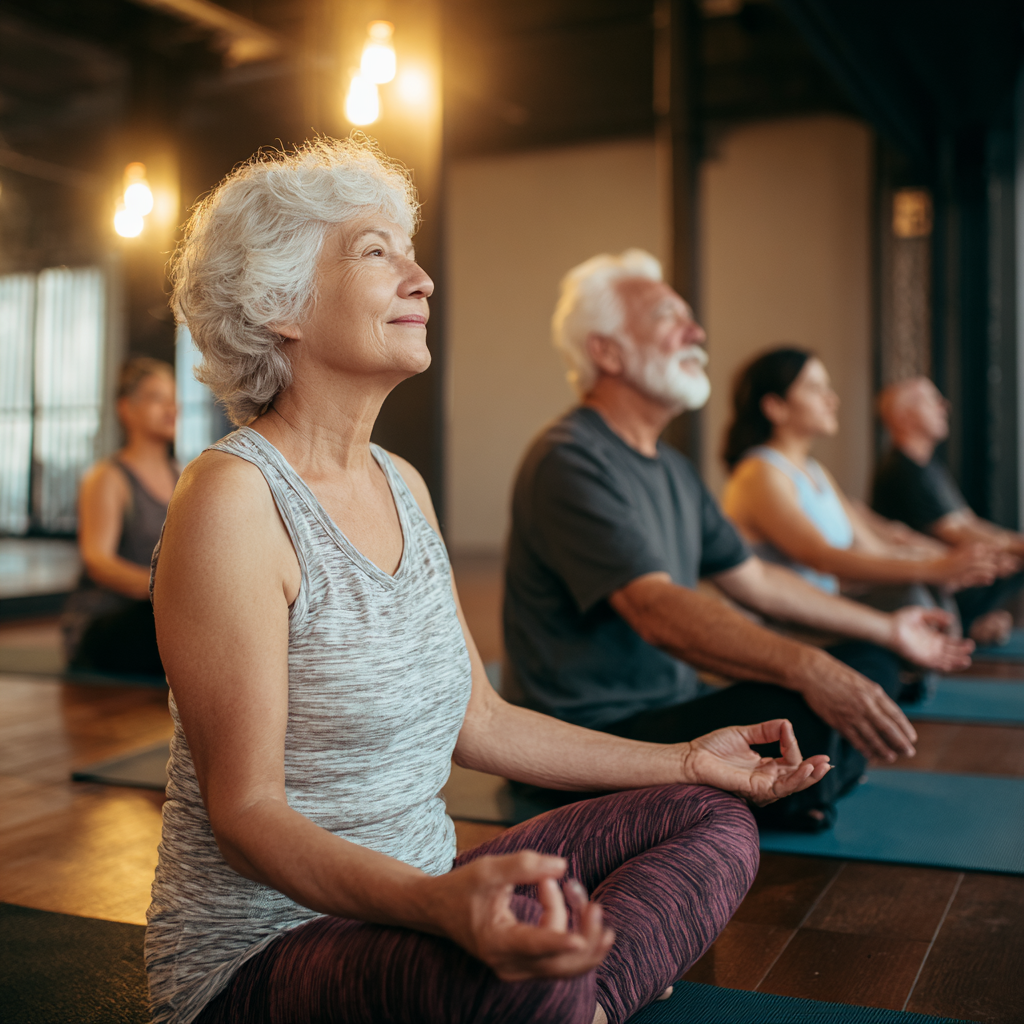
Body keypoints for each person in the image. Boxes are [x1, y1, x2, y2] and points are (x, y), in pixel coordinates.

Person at [145, 138, 832, 1024]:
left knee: (715, 817)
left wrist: (688, 759)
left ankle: (572, 1001)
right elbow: (246, 815)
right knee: (523, 973)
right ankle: (568, 995)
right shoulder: (233, 501)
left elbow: (484, 721)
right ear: (282, 306)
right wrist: (440, 910)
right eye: (375, 251)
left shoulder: (404, 485)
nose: (421, 277)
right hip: (264, 954)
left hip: (434, 899)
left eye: (410, 250)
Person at [503, 250, 974, 834]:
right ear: (607, 351)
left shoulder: (672, 467)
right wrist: (809, 669)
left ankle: (769, 791)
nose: (696, 331)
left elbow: (754, 580)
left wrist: (884, 628)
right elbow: (657, 610)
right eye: (666, 317)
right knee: (812, 708)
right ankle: (769, 792)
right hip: (598, 736)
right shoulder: (569, 459)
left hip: (675, 705)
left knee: (867, 664)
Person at [719, 348, 998, 604]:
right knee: (913, 595)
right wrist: (932, 568)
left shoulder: (814, 471)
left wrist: (953, 561)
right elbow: (822, 558)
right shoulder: (758, 473)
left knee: (921, 592)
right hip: (789, 625)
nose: (832, 399)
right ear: (774, 407)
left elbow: (872, 548)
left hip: (824, 612)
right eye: (815, 388)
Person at [873, 376, 1024, 645]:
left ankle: (974, 623)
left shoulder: (929, 468)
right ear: (904, 416)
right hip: (929, 585)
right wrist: (1012, 547)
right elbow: (958, 532)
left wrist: (1008, 546)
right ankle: (967, 625)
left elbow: (967, 522)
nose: (945, 407)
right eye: (932, 400)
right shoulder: (902, 472)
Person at [62, 357, 179, 676]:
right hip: (106, 621)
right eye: (158, 399)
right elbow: (98, 561)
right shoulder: (108, 478)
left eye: (173, 399)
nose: (171, 409)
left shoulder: (184, 476)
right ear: (126, 408)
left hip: (158, 611)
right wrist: (165, 590)